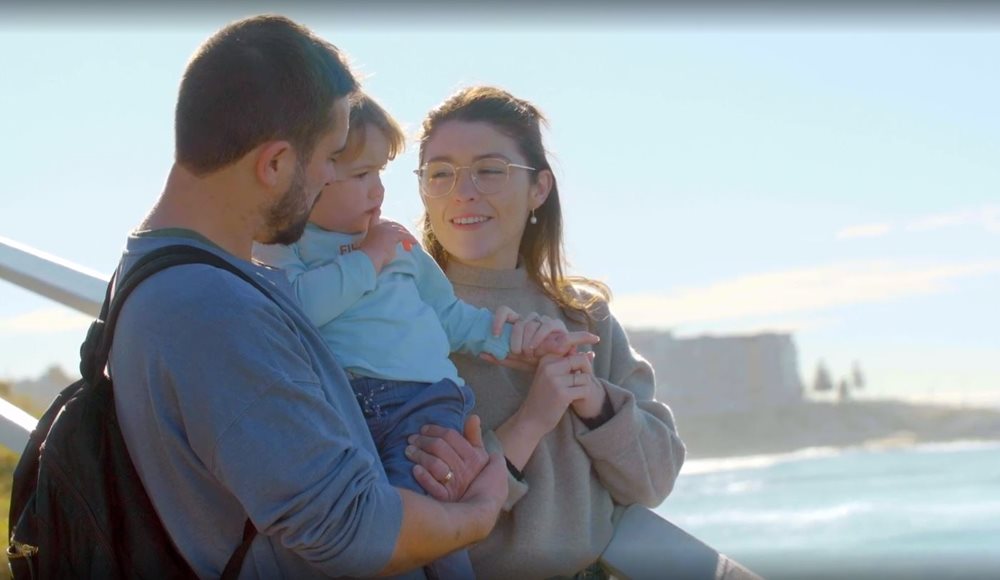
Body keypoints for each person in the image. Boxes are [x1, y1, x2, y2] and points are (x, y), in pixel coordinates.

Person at [107, 16, 508, 579]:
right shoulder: (210, 309)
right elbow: (354, 534)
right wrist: (480, 509)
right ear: (274, 164)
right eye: (328, 157)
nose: (327, 179)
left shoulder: (164, 269)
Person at [252, 94, 595, 579]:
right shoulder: (283, 249)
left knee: (419, 524)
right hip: (348, 409)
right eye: (358, 174)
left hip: (424, 405)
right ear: (312, 175)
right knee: (377, 527)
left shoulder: (400, 244)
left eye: (380, 174)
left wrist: (513, 340)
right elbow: (299, 310)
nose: (377, 191)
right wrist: (366, 259)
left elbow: (451, 316)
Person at [406, 86, 688, 579]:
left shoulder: (584, 318)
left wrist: (595, 401)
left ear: (539, 188)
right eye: (440, 173)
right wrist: (531, 420)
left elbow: (654, 480)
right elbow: (409, 511)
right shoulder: (400, 318)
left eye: (490, 171)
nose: (463, 191)